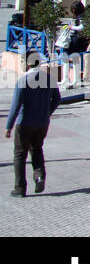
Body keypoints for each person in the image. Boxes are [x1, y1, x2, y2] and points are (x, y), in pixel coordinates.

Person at [7, 53, 61, 197]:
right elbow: (57, 98)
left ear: (28, 64)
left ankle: (19, 188)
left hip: (24, 123)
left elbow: (15, 106)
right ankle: (40, 176)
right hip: (42, 123)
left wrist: (8, 126)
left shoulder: (23, 81)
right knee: (37, 150)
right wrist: (47, 112)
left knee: (19, 155)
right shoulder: (50, 79)